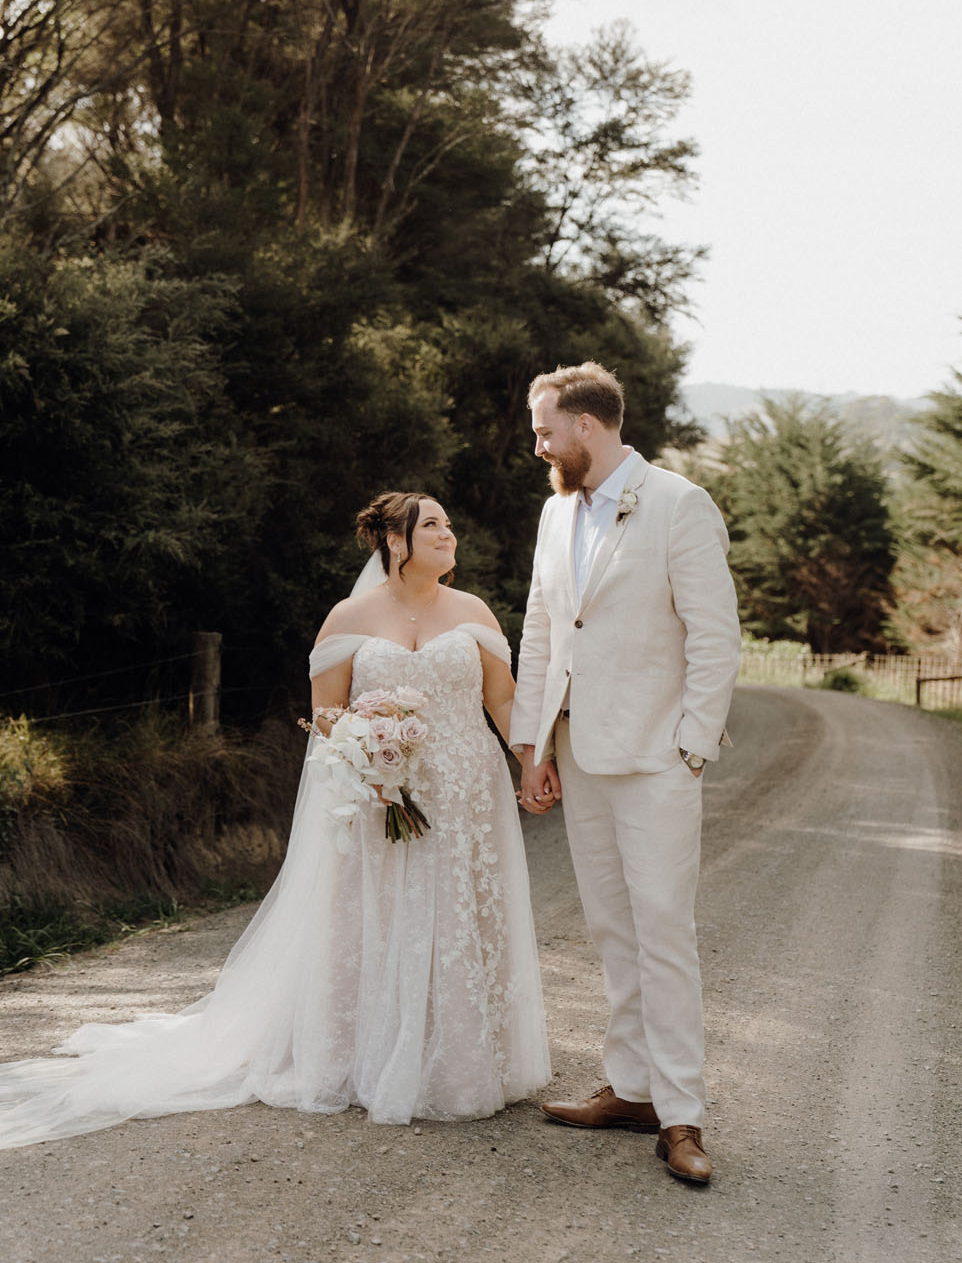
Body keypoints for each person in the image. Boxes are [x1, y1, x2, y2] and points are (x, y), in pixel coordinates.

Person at [0, 492, 549, 1148]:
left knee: (460, 913)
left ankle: (460, 1060)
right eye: (432, 524)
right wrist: (371, 754)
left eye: (449, 524)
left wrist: (530, 762)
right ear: (395, 541)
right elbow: (327, 715)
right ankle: (368, 1054)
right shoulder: (349, 616)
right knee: (383, 912)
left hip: (466, 793)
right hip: (382, 794)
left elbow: (502, 699)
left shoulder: (473, 611)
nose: (448, 533)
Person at [510, 362, 740, 1184]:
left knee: (664, 934)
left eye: (545, 431)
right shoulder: (554, 512)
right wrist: (532, 746)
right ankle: (632, 1088)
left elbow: (715, 636)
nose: (539, 446)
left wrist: (692, 747)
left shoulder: (679, 503)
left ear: (586, 426)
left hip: (656, 759)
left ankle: (681, 1115)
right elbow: (543, 629)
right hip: (578, 753)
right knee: (611, 929)